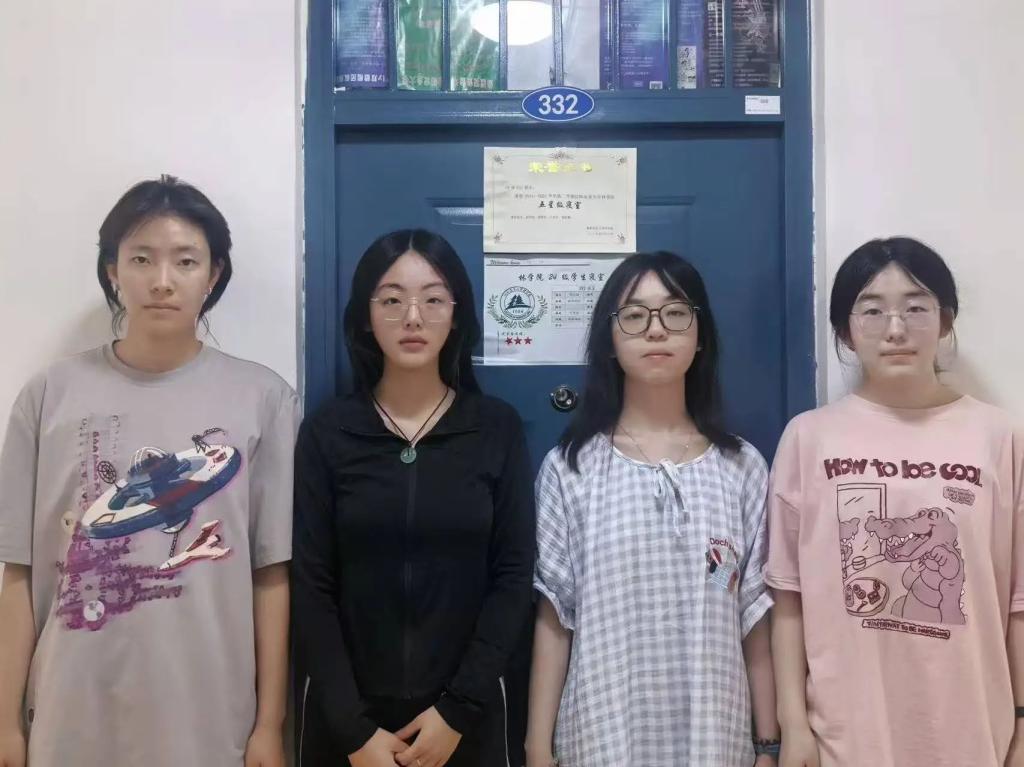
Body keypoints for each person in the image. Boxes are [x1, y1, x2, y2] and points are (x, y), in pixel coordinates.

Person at [0, 175, 300, 767]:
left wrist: (270, 724)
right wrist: (6, 722)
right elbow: (19, 572)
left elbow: (271, 575)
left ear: (213, 274)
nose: (162, 280)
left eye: (186, 261)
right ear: (112, 270)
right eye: (141, 259)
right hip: (69, 717)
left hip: (211, 721)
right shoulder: (49, 396)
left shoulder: (265, 401)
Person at [767, 236, 1024, 767]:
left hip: (973, 733)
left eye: (916, 307)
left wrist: (1023, 722)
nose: (896, 329)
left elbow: (1018, 602)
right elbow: (787, 597)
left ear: (945, 320)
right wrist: (792, 726)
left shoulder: (998, 436)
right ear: (845, 329)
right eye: (872, 310)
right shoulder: (809, 438)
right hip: (843, 737)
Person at [291, 229, 535, 767]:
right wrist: (353, 731)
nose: (413, 318)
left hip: (464, 722)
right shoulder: (327, 432)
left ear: (457, 314)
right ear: (365, 315)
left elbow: (514, 575)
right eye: (391, 300)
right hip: (347, 724)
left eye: (433, 299)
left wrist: (457, 711)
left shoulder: (495, 429)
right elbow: (311, 585)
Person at [526, 251, 779, 767]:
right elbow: (555, 618)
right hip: (601, 738)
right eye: (635, 315)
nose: (656, 330)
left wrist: (768, 743)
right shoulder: (570, 469)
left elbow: (754, 616)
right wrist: (537, 747)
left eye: (676, 313)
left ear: (700, 334)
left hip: (715, 740)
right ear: (610, 339)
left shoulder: (742, 467)